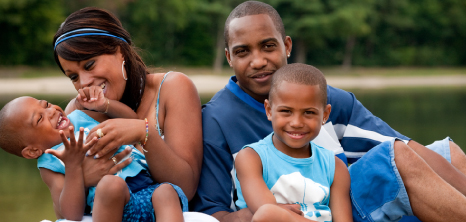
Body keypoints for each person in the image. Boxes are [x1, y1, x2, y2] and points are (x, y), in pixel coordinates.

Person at [191, 1, 466, 222]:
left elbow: (409, 148)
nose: (258, 61)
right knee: (395, 158)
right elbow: (211, 213)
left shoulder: (322, 97)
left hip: (342, 205)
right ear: (229, 57)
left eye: (268, 46)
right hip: (291, 214)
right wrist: (266, 211)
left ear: (287, 46)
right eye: (242, 52)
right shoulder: (216, 120)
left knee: (448, 154)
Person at [50, 7, 216, 222]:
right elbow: (65, 216)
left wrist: (143, 132)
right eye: (73, 76)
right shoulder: (77, 111)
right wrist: (82, 178)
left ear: (120, 51)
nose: (84, 82)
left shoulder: (172, 89)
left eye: (89, 65)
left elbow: (185, 187)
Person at [0, 96, 187, 222]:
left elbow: (132, 119)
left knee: (166, 192)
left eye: (46, 105)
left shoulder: (81, 116)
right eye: (40, 119)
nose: (52, 112)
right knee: (109, 186)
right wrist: (73, 167)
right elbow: (70, 214)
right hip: (114, 209)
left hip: (148, 192)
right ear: (32, 151)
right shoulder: (51, 162)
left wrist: (106, 104)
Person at [234, 63, 352, 222]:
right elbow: (266, 214)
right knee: (268, 214)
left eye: (309, 112)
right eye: (286, 111)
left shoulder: (335, 167)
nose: (296, 122)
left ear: (325, 115)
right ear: (269, 110)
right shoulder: (251, 158)